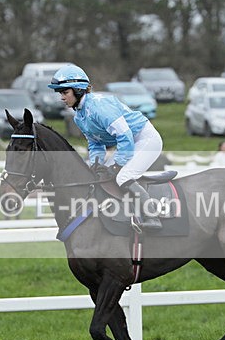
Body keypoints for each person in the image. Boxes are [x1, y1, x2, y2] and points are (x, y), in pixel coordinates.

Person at [49, 63, 164, 230]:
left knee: (123, 177)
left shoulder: (99, 107)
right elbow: (95, 143)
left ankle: (152, 217)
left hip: (146, 140)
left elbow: (125, 136)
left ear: (78, 90)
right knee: (103, 178)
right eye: (61, 93)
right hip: (129, 142)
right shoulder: (79, 116)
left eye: (65, 92)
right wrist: (96, 165)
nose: (62, 97)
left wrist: (118, 164)